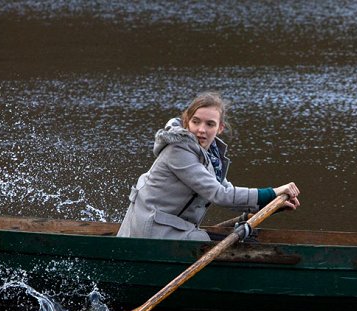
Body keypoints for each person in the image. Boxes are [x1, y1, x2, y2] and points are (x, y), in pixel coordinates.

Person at [117, 91, 300, 241]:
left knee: (247, 240)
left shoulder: (210, 155)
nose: (201, 129)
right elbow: (220, 195)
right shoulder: (178, 150)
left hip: (172, 228)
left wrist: (269, 204)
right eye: (196, 121)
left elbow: (227, 192)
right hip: (149, 232)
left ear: (220, 128)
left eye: (209, 124)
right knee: (208, 242)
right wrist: (273, 191)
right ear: (187, 121)